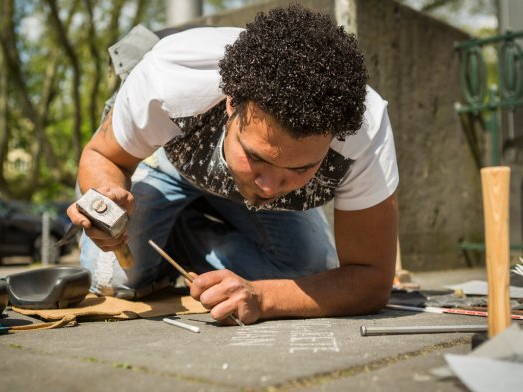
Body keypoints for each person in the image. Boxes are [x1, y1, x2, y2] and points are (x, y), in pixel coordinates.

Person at [67, 5, 399, 325]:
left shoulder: (363, 132)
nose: (269, 187)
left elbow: (370, 279)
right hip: (165, 161)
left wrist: (262, 297)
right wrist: (106, 200)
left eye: (300, 169)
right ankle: (161, 227)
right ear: (231, 104)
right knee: (114, 279)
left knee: (308, 278)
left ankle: (181, 234)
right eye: (256, 156)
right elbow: (102, 156)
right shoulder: (170, 80)